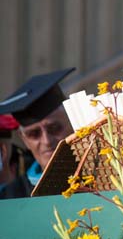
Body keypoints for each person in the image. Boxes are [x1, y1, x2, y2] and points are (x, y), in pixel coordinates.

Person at [0, 68, 75, 198]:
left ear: (72, 125)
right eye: (34, 134)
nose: (46, 140)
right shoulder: (11, 196)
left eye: (54, 128)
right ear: (24, 140)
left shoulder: (101, 177)